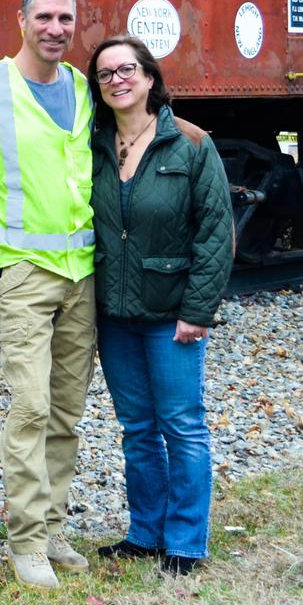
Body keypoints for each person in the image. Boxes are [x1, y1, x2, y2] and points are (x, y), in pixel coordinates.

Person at [0, 0, 96, 589]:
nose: (56, 29)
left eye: (65, 18)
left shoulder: (85, 89)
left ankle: (51, 526)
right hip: (25, 277)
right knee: (31, 407)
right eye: (45, 18)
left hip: (82, 274)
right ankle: (26, 542)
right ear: (21, 19)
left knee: (66, 411)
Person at [86, 35, 233, 575]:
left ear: (150, 78)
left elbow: (216, 234)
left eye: (127, 69)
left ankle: (187, 543)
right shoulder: (94, 144)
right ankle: (145, 533)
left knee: (182, 425)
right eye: (105, 74)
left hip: (172, 315)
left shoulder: (191, 145)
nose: (117, 80)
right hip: (115, 315)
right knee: (138, 429)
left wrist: (197, 311)